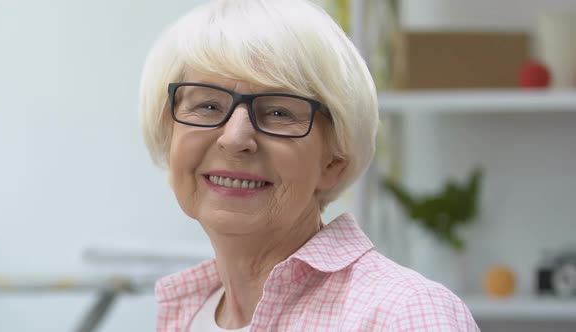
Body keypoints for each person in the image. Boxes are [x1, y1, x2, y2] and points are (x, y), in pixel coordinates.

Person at [139, 0, 479, 331]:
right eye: (208, 106)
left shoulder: (405, 316)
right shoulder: (187, 314)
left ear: (333, 160)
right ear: (170, 138)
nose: (235, 138)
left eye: (278, 112)